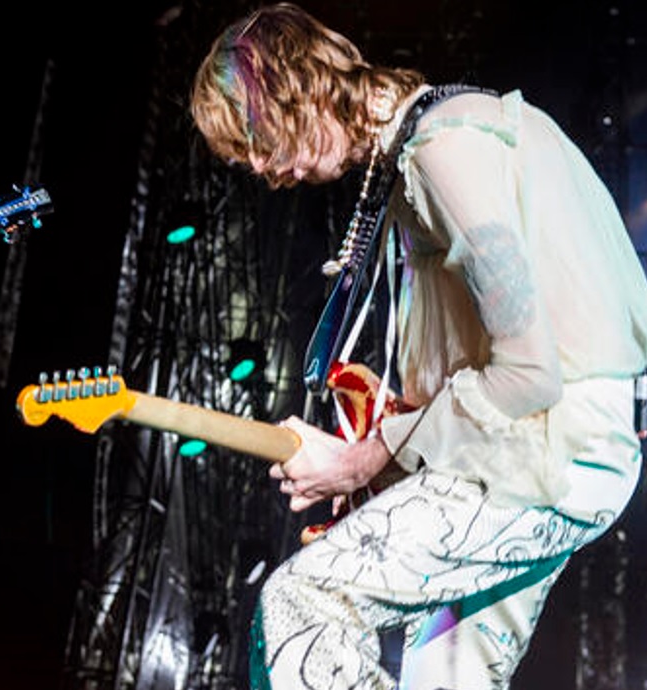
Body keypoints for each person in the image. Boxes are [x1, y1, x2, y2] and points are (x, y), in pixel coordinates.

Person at [190, 3, 647, 688]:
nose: (259, 165)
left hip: (545, 453)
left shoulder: (445, 147)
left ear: (303, 86)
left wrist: (359, 461)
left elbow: (529, 371)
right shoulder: (419, 154)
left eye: (256, 135)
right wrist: (376, 456)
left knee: (301, 603)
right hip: (556, 454)